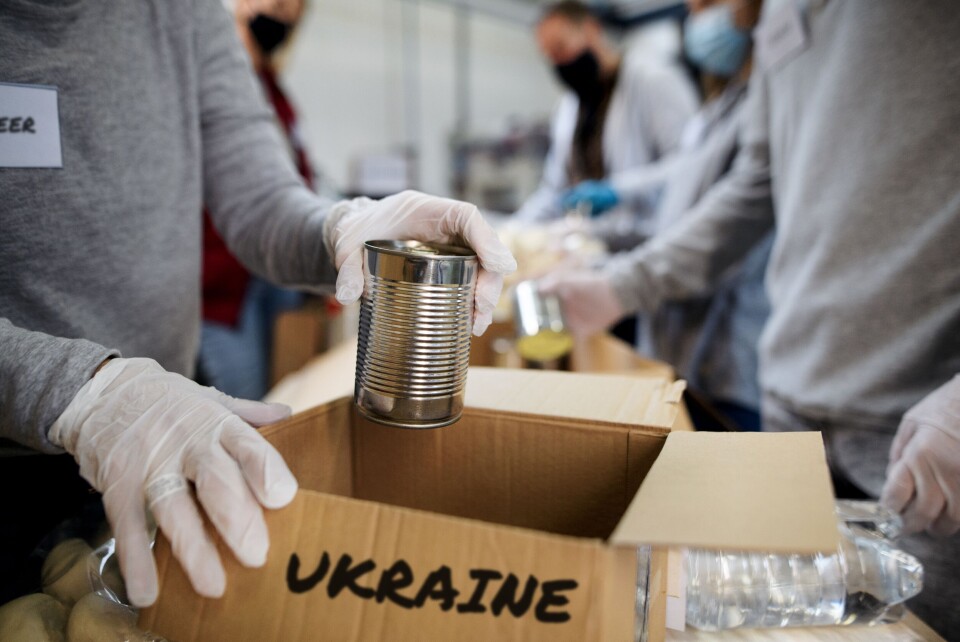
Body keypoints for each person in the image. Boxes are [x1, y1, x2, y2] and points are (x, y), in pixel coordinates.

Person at [0, 0, 516, 610]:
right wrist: (77, 391)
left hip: (171, 420)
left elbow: (259, 201)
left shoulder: (185, 14)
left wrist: (342, 225)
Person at [540, 1, 960, 635]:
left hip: (921, 423)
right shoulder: (779, 19)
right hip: (791, 394)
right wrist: (619, 287)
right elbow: (753, 185)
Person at [553, 0, 769, 431]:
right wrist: (602, 262)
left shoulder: (751, 103)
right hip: (678, 343)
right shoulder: (715, 112)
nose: (696, 14)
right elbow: (677, 216)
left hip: (728, 354)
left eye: (709, 3)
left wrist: (619, 281)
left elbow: (724, 226)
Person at [198, 0, 315, 400]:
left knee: (279, 391)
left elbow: (289, 179)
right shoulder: (211, 80)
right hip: (218, 284)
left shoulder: (272, 86)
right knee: (243, 399)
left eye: (294, 9)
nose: (283, 16)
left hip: (266, 274)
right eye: (277, 4)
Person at [513, 0, 700, 236]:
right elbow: (554, 191)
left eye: (561, 48)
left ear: (591, 30)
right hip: (594, 244)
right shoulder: (568, 107)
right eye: (549, 55)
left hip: (655, 238)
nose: (557, 63)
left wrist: (619, 191)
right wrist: (513, 231)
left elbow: (691, 165)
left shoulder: (653, 80)